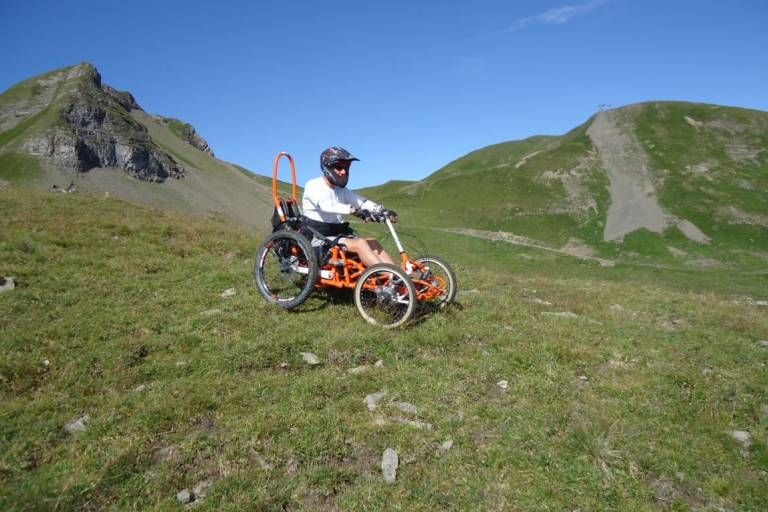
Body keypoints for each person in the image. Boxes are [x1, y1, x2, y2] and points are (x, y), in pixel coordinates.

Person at [301, 147, 396, 267]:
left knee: (373, 242)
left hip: (335, 234)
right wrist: (353, 211)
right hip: (317, 237)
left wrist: (381, 210)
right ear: (327, 167)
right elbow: (326, 205)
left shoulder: (341, 190)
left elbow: (361, 202)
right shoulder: (313, 185)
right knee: (360, 243)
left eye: (346, 168)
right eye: (339, 168)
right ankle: (389, 276)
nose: (344, 172)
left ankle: (399, 274)